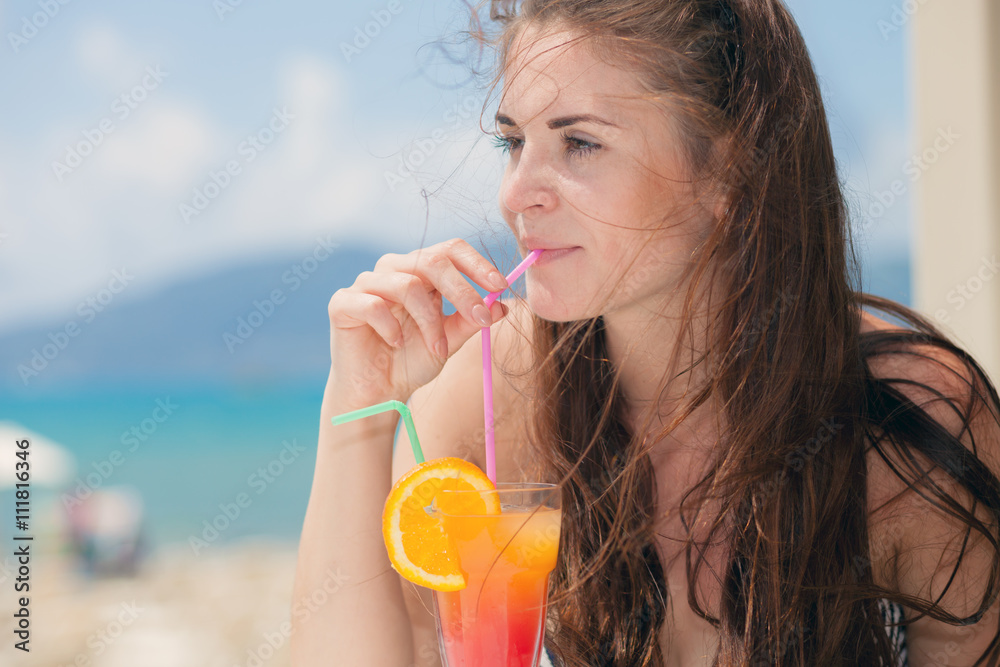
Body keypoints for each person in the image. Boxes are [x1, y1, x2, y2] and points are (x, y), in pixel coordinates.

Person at [291, 0, 1000, 665]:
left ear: (730, 170)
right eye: (514, 140)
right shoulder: (493, 399)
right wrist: (355, 402)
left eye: (579, 143)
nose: (514, 194)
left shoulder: (911, 424)